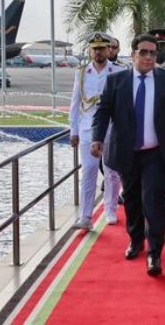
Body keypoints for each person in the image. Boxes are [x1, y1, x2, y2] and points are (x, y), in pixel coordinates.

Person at [91, 34, 165, 277]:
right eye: (144, 52)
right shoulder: (116, 81)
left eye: (153, 53)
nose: (149, 57)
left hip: (157, 154)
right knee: (133, 200)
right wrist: (97, 138)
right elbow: (103, 112)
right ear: (133, 54)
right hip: (127, 152)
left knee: (154, 200)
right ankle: (136, 240)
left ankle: (154, 252)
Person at [70, 32, 126, 229]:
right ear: (90, 50)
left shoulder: (118, 71)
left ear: (108, 50)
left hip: (111, 128)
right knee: (89, 171)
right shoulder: (82, 72)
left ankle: (110, 209)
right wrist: (73, 130)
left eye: (101, 48)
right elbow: (75, 102)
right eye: (94, 49)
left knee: (111, 172)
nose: (98, 52)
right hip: (87, 128)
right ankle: (85, 216)